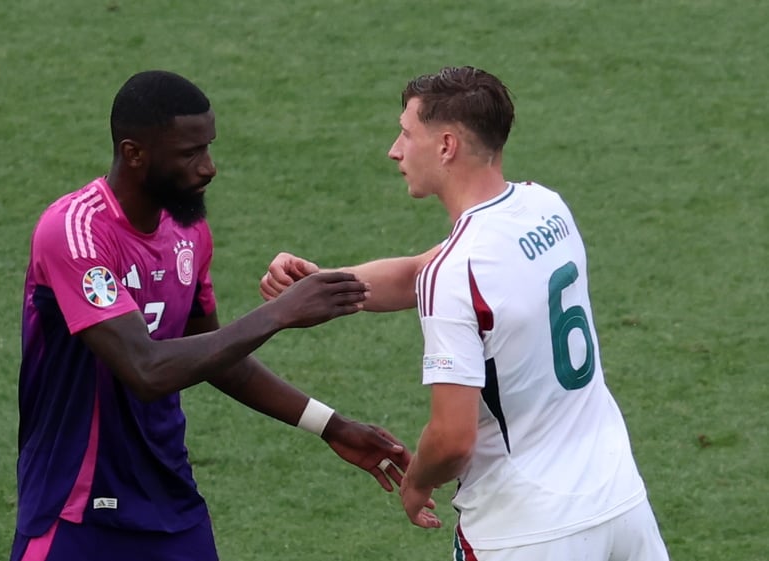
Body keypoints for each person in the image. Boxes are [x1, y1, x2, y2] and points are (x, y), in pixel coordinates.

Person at [260, 66, 670, 560]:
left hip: (525, 531)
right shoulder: (546, 208)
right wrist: (322, 285)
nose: (395, 149)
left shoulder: (456, 273)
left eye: (407, 133)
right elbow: (420, 272)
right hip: (620, 506)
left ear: (447, 146)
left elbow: (453, 440)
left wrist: (415, 484)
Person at [11, 70, 417, 561]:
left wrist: (331, 425)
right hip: (75, 512)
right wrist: (279, 314)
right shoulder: (75, 232)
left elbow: (217, 355)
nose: (208, 168)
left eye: (208, 147)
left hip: (170, 506)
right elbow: (146, 368)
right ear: (134, 153)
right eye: (189, 154)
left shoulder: (187, 233)